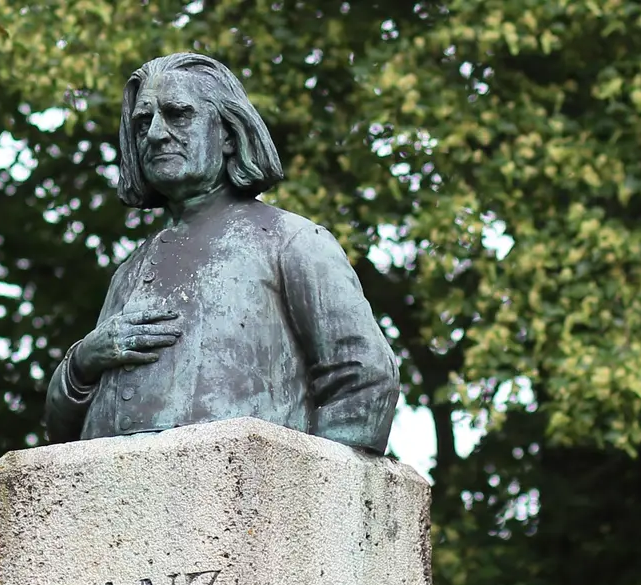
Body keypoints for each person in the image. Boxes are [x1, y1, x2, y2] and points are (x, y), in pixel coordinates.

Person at [44, 52, 400, 453]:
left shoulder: (290, 240)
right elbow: (59, 435)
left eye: (178, 114)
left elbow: (365, 381)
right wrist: (82, 362)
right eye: (143, 122)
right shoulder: (130, 271)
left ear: (228, 133)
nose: (156, 134)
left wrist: (296, 493)